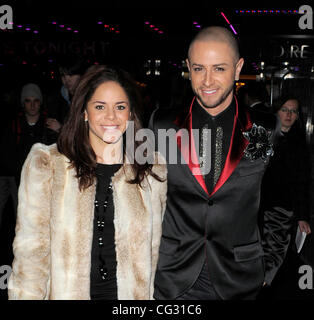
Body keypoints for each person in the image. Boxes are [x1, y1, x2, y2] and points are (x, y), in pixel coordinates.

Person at [150, 26, 290, 300]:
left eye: (219, 69)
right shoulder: (161, 124)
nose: (207, 80)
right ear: (188, 68)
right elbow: (145, 199)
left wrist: (269, 267)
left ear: (238, 69)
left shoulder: (266, 127)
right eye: (199, 68)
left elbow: (280, 204)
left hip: (239, 278)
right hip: (173, 278)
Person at [8, 65, 167, 300]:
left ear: (131, 114)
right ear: (84, 111)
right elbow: (31, 253)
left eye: (120, 107)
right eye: (100, 106)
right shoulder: (48, 165)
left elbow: (153, 254)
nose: (111, 116)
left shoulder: (149, 170)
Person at [258, 95, 311, 299]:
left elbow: (303, 182)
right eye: (285, 109)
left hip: (283, 210)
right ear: (276, 111)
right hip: (258, 207)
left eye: (294, 111)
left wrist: (302, 215)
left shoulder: (299, 144)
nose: (289, 115)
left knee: (279, 259)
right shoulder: (263, 138)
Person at [0, 83, 57, 229]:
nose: (32, 105)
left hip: (43, 184)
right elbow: (7, 155)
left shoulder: (49, 125)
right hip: (18, 181)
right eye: (28, 101)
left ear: (41, 103)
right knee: (21, 221)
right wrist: (22, 172)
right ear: (22, 103)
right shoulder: (14, 126)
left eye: (36, 101)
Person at [45, 56, 87, 134]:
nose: (67, 80)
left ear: (81, 75)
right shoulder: (56, 99)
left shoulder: (89, 98)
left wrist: (61, 129)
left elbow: (87, 134)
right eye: (63, 75)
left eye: (71, 75)